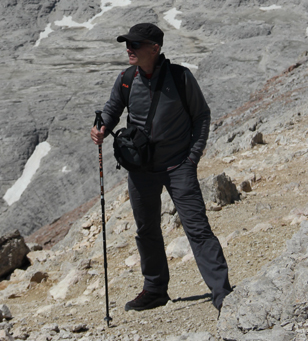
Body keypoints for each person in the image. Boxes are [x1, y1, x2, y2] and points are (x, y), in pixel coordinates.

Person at [91, 22, 232, 312]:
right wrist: (102, 127)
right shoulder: (127, 78)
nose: (129, 49)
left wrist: (192, 158)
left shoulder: (180, 77)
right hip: (141, 169)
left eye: (135, 45)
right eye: (127, 44)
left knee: (197, 229)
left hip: (179, 165)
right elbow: (112, 109)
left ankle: (223, 294)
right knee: (146, 230)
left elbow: (202, 116)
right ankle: (155, 290)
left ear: (155, 48)